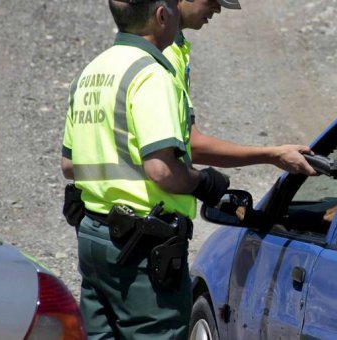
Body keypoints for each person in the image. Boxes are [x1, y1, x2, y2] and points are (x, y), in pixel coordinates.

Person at [60, 0, 232, 338]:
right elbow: (162, 170)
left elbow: (69, 164)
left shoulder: (92, 72)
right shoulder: (152, 74)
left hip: (95, 236)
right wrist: (204, 182)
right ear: (162, 15)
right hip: (142, 253)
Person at [163, 0, 317, 175]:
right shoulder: (163, 53)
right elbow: (193, 145)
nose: (218, 9)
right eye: (212, 1)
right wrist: (273, 155)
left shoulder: (174, 47)